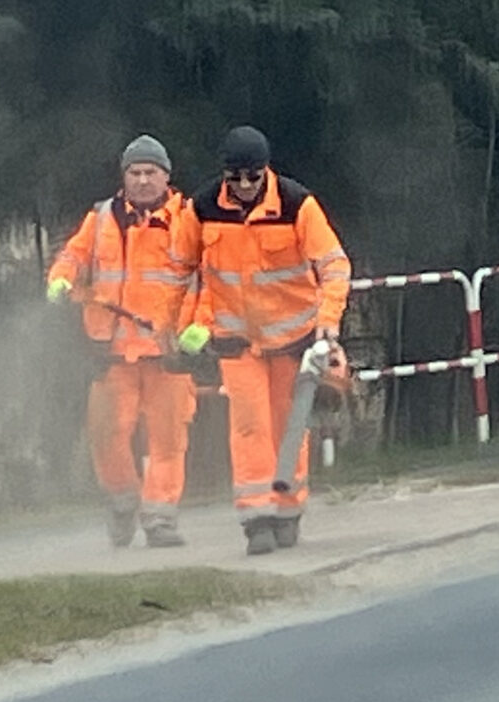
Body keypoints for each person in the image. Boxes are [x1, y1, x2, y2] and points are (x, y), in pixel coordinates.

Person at [193, 126, 351, 556]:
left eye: (253, 176)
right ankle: (255, 519)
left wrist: (328, 322)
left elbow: (335, 265)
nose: (245, 185)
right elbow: (182, 269)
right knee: (249, 425)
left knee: (289, 426)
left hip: (293, 340)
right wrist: (192, 324)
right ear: (224, 174)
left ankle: (288, 511)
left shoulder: (298, 205)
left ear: (267, 171)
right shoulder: (202, 208)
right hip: (236, 342)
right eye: (236, 176)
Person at [45, 135, 204, 548]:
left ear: (166, 176)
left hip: (169, 353)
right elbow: (74, 256)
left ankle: (160, 518)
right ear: (124, 177)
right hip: (112, 351)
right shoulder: (101, 219)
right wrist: (60, 278)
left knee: (169, 441)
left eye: (151, 172)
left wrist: (199, 327)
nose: (143, 180)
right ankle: (122, 500)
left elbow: (210, 279)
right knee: (106, 434)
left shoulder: (190, 220)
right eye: (135, 172)